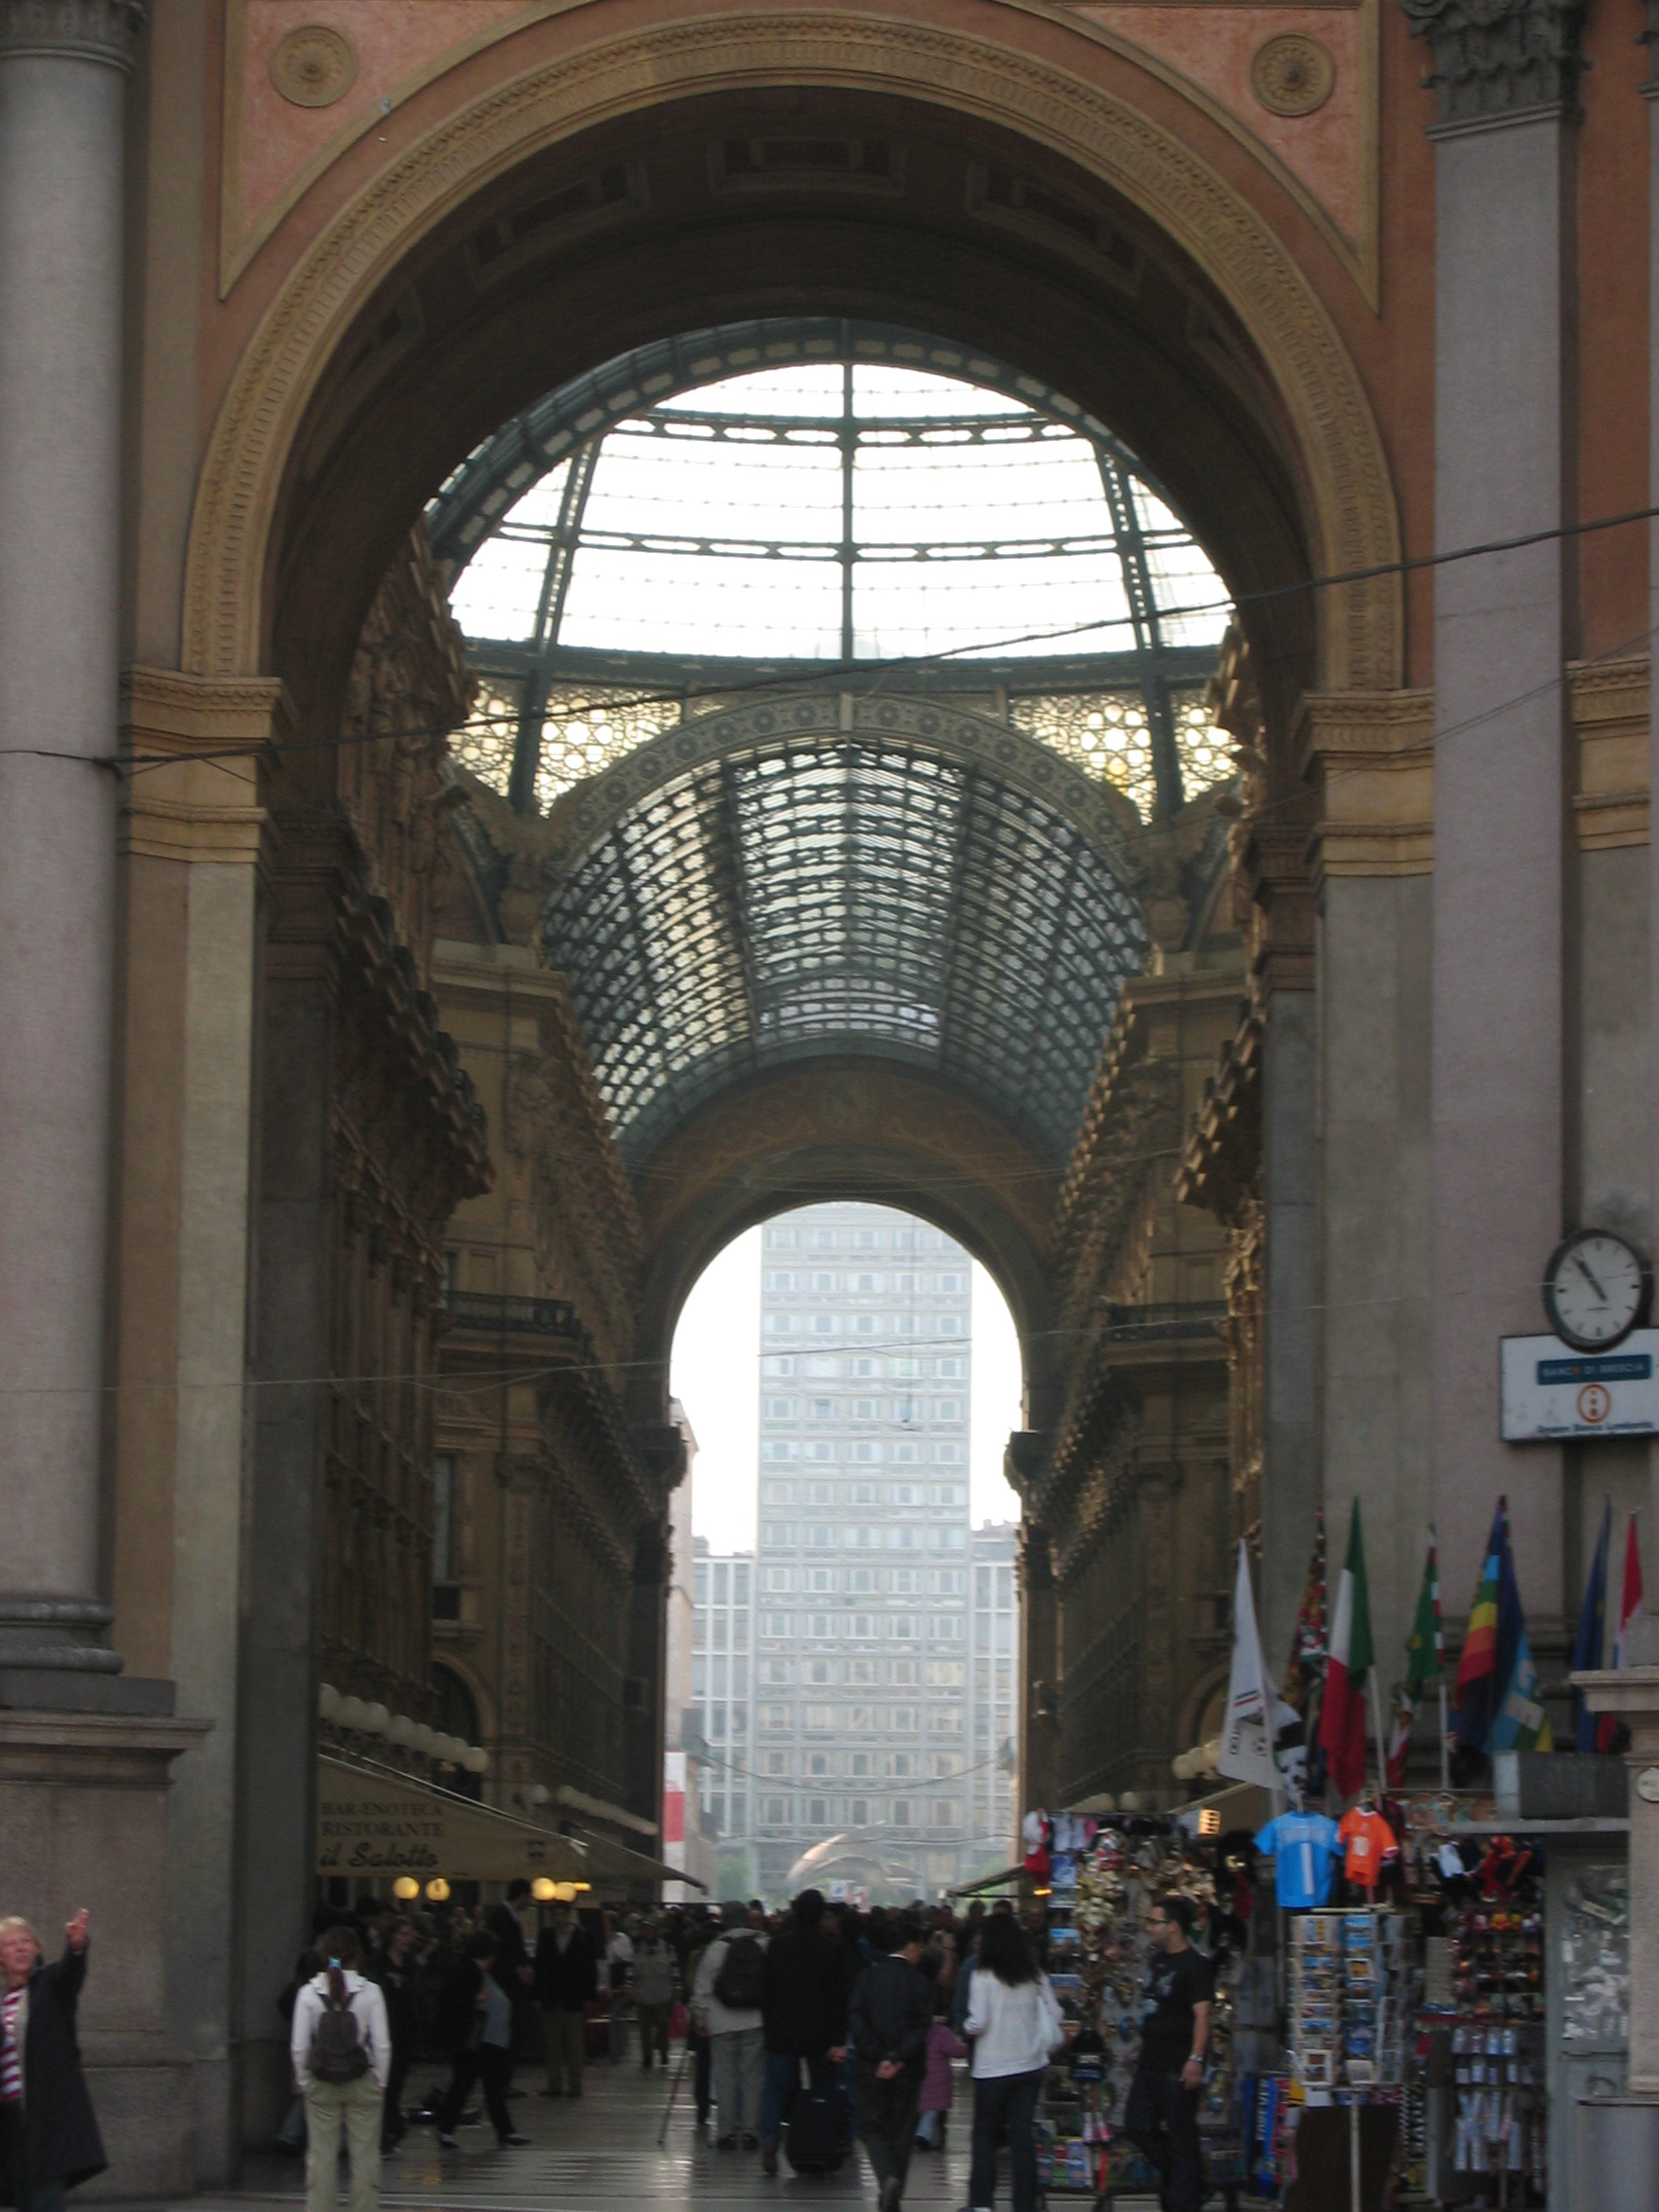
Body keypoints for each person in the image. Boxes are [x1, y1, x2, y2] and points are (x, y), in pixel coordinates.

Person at [0, 1909, 105, 2212]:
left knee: (45, 2199)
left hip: (45, 2121)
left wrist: (75, 1946)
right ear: (2, 1958)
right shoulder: (4, 2003)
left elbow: (70, 1974)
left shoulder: (49, 1986)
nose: (20, 1947)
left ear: (36, 1950)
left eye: (26, 1941)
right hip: (13, 2123)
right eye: (11, 1944)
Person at [963, 1912, 1063, 2212]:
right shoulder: (1034, 1974)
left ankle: (982, 2203)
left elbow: (978, 2023)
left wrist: (965, 2028)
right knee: (1022, 2137)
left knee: (984, 2136)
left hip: (991, 2069)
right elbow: (1056, 2014)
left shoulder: (982, 1976)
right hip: (1029, 2066)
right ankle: (1024, 2204)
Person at [289, 1924, 391, 2212]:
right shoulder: (371, 1992)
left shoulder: (309, 1993)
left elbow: (299, 2046)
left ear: (323, 1954)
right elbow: (382, 2044)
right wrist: (381, 2080)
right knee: (365, 2157)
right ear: (357, 1954)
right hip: (362, 2079)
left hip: (321, 2081)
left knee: (322, 2157)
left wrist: (303, 2081)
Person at [1122, 1897, 1213, 2212]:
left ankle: (1183, 2199)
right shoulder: (1157, 1961)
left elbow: (1202, 2015)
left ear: (1173, 1926)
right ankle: (1186, 2181)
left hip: (1178, 2063)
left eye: (1153, 1922)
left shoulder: (1196, 1965)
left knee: (1180, 2136)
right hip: (1150, 2061)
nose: (1148, 1928)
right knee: (1137, 2124)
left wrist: (1196, 2058)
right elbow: (1154, 2008)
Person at [757, 1889, 850, 2175]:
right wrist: (837, 2039)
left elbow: (767, 1992)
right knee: (820, 2089)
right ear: (821, 1915)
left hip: (782, 2031)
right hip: (818, 2035)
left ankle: (770, 2138)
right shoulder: (831, 1949)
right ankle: (816, 2141)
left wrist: (769, 2025)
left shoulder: (778, 1946)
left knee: (775, 2089)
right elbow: (837, 2000)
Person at [847, 1912, 934, 2212]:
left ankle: (887, 2180)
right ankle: (892, 2193)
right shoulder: (920, 1983)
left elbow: (856, 2017)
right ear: (910, 1947)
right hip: (908, 2069)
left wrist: (877, 2054)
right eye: (920, 1946)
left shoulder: (867, 1978)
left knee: (872, 2126)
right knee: (902, 2130)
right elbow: (922, 2027)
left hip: (870, 2066)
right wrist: (898, 2058)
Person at [433, 1932, 530, 2152]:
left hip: (487, 2040)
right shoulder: (467, 1972)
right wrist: (475, 2000)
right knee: (467, 2085)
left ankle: (503, 2130)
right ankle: (449, 2129)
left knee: (487, 2087)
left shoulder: (481, 1972)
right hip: (476, 2040)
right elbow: (452, 2000)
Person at [692, 1901, 767, 2149]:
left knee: (724, 2077)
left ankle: (725, 2131)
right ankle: (750, 2131)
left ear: (723, 1919)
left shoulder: (716, 1948)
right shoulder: (762, 1943)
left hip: (721, 2021)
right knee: (752, 2076)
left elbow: (702, 1988)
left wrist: (701, 2019)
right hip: (755, 2019)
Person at [363, 1916, 419, 2155]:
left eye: (410, 1935)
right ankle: (387, 2133)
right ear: (392, 1937)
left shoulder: (410, 1966)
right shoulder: (378, 1965)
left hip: (405, 2032)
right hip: (384, 2030)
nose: (408, 1939)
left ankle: (389, 2131)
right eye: (403, 1934)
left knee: (395, 2085)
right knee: (384, 2085)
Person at [534, 1903, 598, 2098]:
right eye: (556, 1914)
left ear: (568, 1916)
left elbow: (589, 1968)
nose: (558, 1918)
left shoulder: (582, 1937)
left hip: (573, 1996)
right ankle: (554, 2084)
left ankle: (575, 2085)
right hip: (552, 1996)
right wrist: (537, 1995)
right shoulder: (546, 1936)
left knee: (574, 2043)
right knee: (553, 2043)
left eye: (562, 1914)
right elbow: (540, 1966)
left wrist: (588, 1995)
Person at [913, 1959, 967, 2152]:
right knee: (935, 2114)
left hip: (921, 2080)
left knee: (923, 2111)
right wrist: (968, 2048)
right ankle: (927, 2137)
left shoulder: (914, 2031)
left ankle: (920, 2134)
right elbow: (956, 2051)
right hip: (939, 2083)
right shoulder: (941, 2032)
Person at [631, 1921, 676, 2070]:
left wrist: (678, 1987)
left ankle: (663, 2050)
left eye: (650, 1930)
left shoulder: (668, 1949)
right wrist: (627, 1987)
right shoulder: (637, 1949)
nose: (647, 1933)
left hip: (662, 1994)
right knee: (644, 2027)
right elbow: (631, 1970)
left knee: (662, 2024)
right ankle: (647, 2056)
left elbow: (674, 1969)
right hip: (643, 1993)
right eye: (645, 1930)